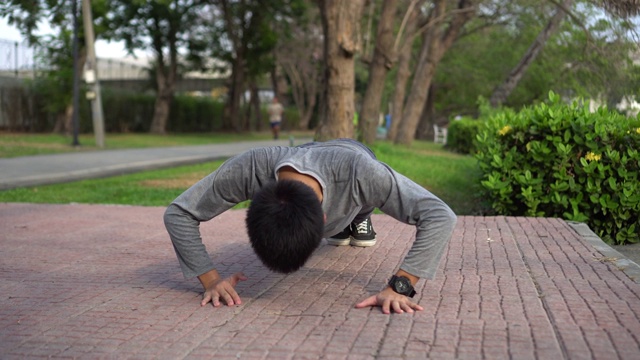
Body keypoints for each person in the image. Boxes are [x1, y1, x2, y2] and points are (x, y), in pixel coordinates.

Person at [164, 138, 457, 314]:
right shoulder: (250, 168)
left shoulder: (362, 173)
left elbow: (440, 216)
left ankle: (357, 221)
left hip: (354, 152)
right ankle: (346, 227)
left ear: (325, 218)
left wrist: (401, 287)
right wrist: (211, 280)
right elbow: (178, 213)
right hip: (307, 154)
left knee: (365, 201)